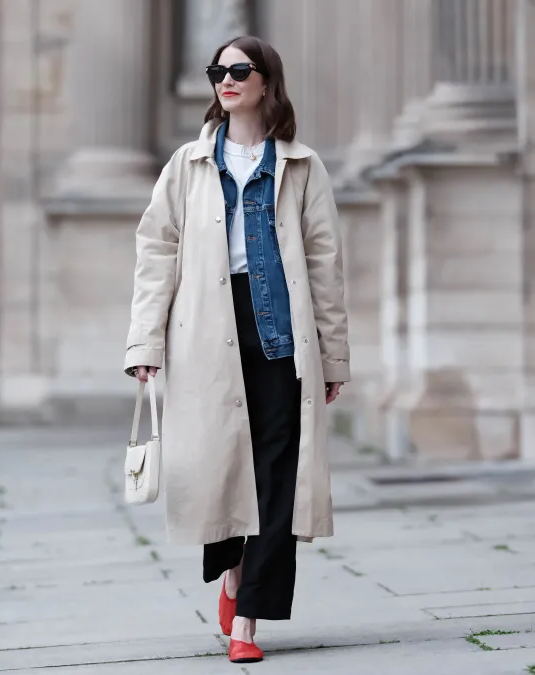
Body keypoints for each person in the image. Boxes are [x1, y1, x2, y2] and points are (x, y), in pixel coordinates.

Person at [122, 35, 350, 664]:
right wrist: (145, 340)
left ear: (266, 80)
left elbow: (326, 265)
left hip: (280, 329)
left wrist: (334, 356)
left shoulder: (302, 166)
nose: (226, 79)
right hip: (205, 332)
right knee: (218, 461)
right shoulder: (188, 165)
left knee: (278, 473)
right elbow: (156, 251)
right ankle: (229, 569)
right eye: (217, 70)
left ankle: (246, 617)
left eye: (239, 70)